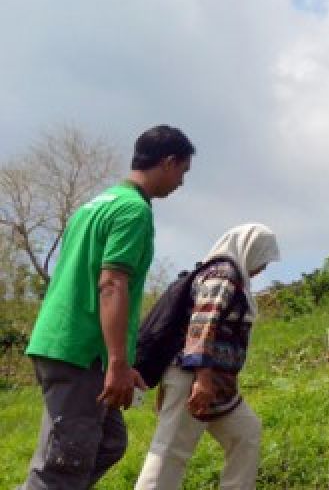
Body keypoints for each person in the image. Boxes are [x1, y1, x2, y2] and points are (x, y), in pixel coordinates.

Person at [22, 125, 194, 490]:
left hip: (63, 342)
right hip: (79, 351)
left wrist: (121, 361)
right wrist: (116, 361)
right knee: (62, 465)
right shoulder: (134, 211)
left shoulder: (94, 205)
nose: (181, 183)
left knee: (108, 443)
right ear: (168, 162)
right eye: (182, 171)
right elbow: (112, 283)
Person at [134, 223, 281, 490]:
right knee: (170, 452)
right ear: (250, 249)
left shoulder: (232, 278)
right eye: (264, 257)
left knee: (246, 434)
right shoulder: (222, 275)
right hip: (196, 380)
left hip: (218, 387)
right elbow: (202, 324)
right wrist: (201, 380)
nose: (264, 267)